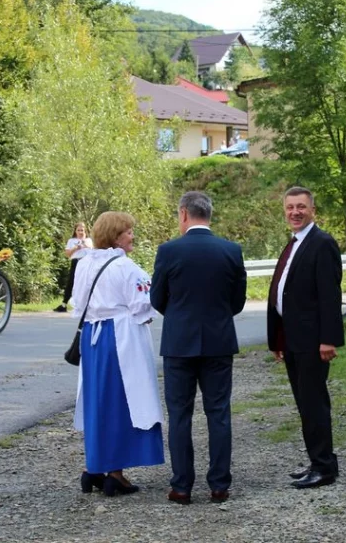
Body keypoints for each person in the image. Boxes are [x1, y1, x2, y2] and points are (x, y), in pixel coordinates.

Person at [150, 192, 246, 506]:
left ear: (183, 215)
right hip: (219, 342)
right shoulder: (231, 251)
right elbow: (238, 302)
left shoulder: (168, 251)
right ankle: (219, 485)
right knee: (218, 414)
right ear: (209, 215)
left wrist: (179, 317)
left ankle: (182, 486)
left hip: (179, 344)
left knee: (179, 415)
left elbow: (157, 299)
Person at [72, 211, 164, 498]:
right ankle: (115, 473)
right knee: (123, 401)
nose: (132, 236)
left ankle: (95, 467)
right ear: (114, 236)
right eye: (127, 232)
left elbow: (77, 304)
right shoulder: (126, 267)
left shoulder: (85, 263)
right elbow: (143, 305)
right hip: (120, 338)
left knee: (97, 401)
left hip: (92, 337)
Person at [267, 186, 344, 490]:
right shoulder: (294, 243)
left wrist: (328, 339)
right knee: (304, 403)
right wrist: (278, 339)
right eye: (290, 207)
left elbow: (329, 295)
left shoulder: (322, 243)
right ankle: (319, 460)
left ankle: (324, 468)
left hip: (313, 341)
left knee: (313, 404)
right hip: (293, 339)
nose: (295, 212)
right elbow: (285, 293)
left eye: (301, 207)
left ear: (313, 210)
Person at [54, 222, 93, 313]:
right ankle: (64, 304)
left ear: (85, 231)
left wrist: (84, 244)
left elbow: (92, 251)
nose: (80, 232)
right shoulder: (71, 241)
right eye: (78, 230)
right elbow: (67, 254)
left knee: (87, 282)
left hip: (86, 262)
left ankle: (88, 304)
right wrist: (76, 248)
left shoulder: (89, 240)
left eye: (82, 230)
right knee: (71, 282)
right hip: (75, 262)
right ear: (75, 231)